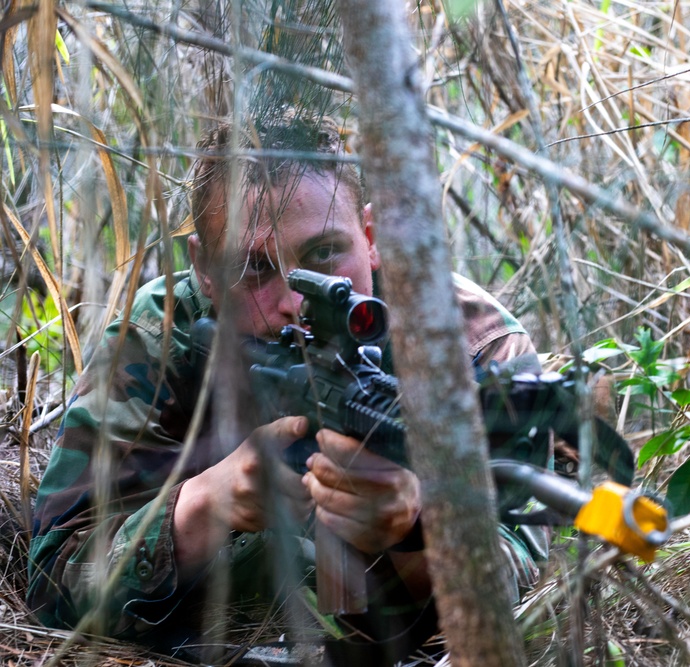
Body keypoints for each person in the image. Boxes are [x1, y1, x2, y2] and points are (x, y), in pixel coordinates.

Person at [27, 117, 547, 662]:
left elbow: (516, 582)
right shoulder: (161, 338)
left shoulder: (470, 345)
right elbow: (51, 586)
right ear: (205, 269)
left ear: (371, 240)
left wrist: (416, 531)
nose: (294, 302)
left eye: (324, 253)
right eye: (253, 268)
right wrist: (206, 504)